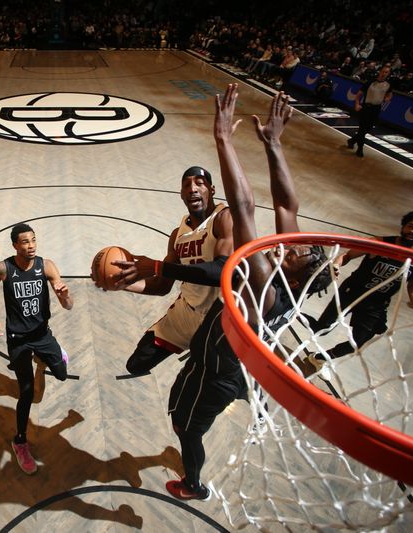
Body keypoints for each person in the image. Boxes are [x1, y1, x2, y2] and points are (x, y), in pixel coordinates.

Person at [119, 85, 331, 501]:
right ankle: (253, 387)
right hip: (209, 349)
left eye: (300, 252)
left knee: (185, 426)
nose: (292, 244)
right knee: (181, 399)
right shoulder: (287, 274)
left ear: (301, 270)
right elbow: (287, 206)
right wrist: (273, 145)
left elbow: (245, 206)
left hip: (217, 368)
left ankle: (194, 484)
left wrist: (224, 140)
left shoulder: (262, 285)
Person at [107, 167, 233, 376]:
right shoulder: (178, 235)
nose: (192, 189)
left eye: (199, 183)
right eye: (187, 185)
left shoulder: (224, 218)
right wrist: (120, 284)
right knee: (137, 364)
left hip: (220, 319)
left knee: (211, 379)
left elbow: (221, 272)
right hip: (186, 312)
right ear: (181, 194)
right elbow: (161, 286)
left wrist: (157, 266)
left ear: (211, 190)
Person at [0, 223, 73, 474]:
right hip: (18, 338)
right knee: (27, 392)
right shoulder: (3, 268)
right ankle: (20, 441)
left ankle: (44, 361)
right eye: (25, 242)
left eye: (33, 240)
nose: (31, 246)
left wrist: (65, 296)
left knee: (63, 374)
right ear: (14, 245)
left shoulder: (47, 266)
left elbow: (68, 306)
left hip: (42, 334)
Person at [307, 209, 413, 371]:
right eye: (410, 226)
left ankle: (318, 358)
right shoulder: (379, 243)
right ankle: (290, 314)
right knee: (321, 329)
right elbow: (347, 256)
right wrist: (336, 264)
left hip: (376, 303)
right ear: (404, 226)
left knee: (357, 342)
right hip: (352, 292)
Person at [346, 66, 392, 158]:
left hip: (376, 109)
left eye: (386, 72)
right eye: (383, 71)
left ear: (388, 74)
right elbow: (359, 94)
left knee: (368, 129)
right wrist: (357, 104)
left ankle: (352, 140)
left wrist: (385, 99)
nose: (384, 74)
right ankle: (360, 149)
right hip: (366, 108)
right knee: (362, 129)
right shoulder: (371, 82)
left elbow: (389, 96)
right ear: (380, 72)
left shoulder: (388, 85)